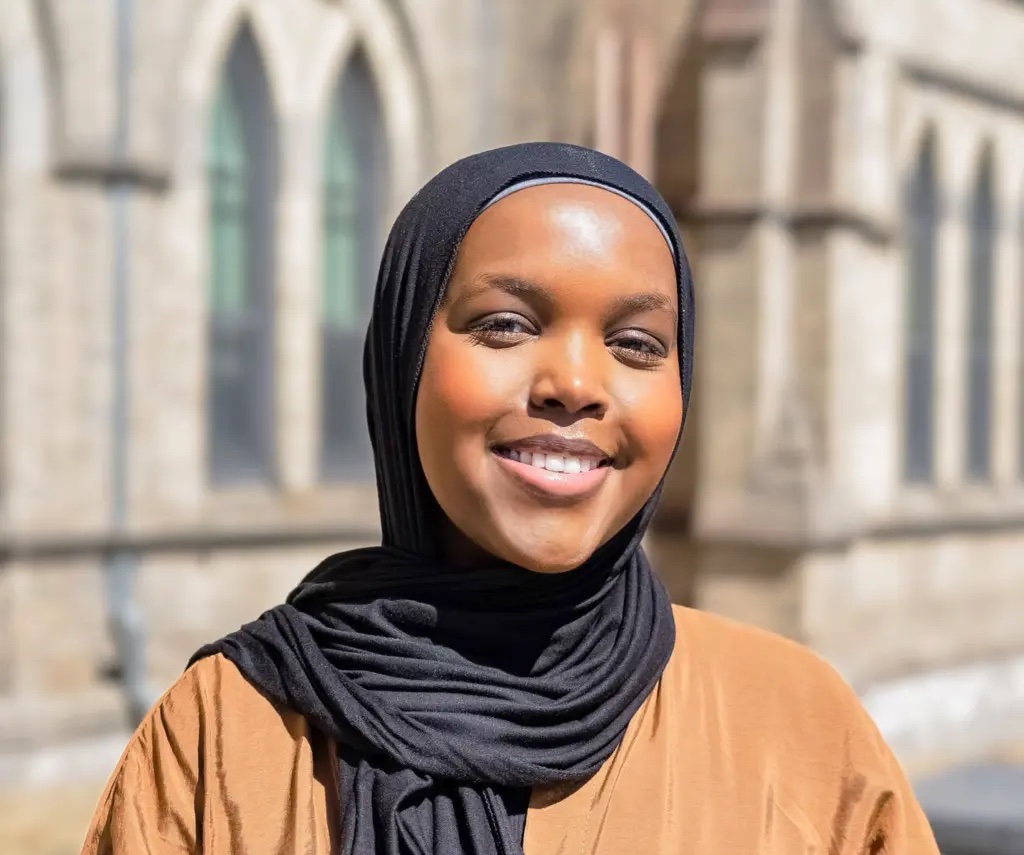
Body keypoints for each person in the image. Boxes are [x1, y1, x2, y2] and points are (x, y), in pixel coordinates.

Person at [82, 143, 939, 854]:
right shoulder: (226, 732)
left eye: (637, 343)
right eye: (505, 324)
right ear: (402, 358)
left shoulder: (801, 732)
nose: (573, 382)